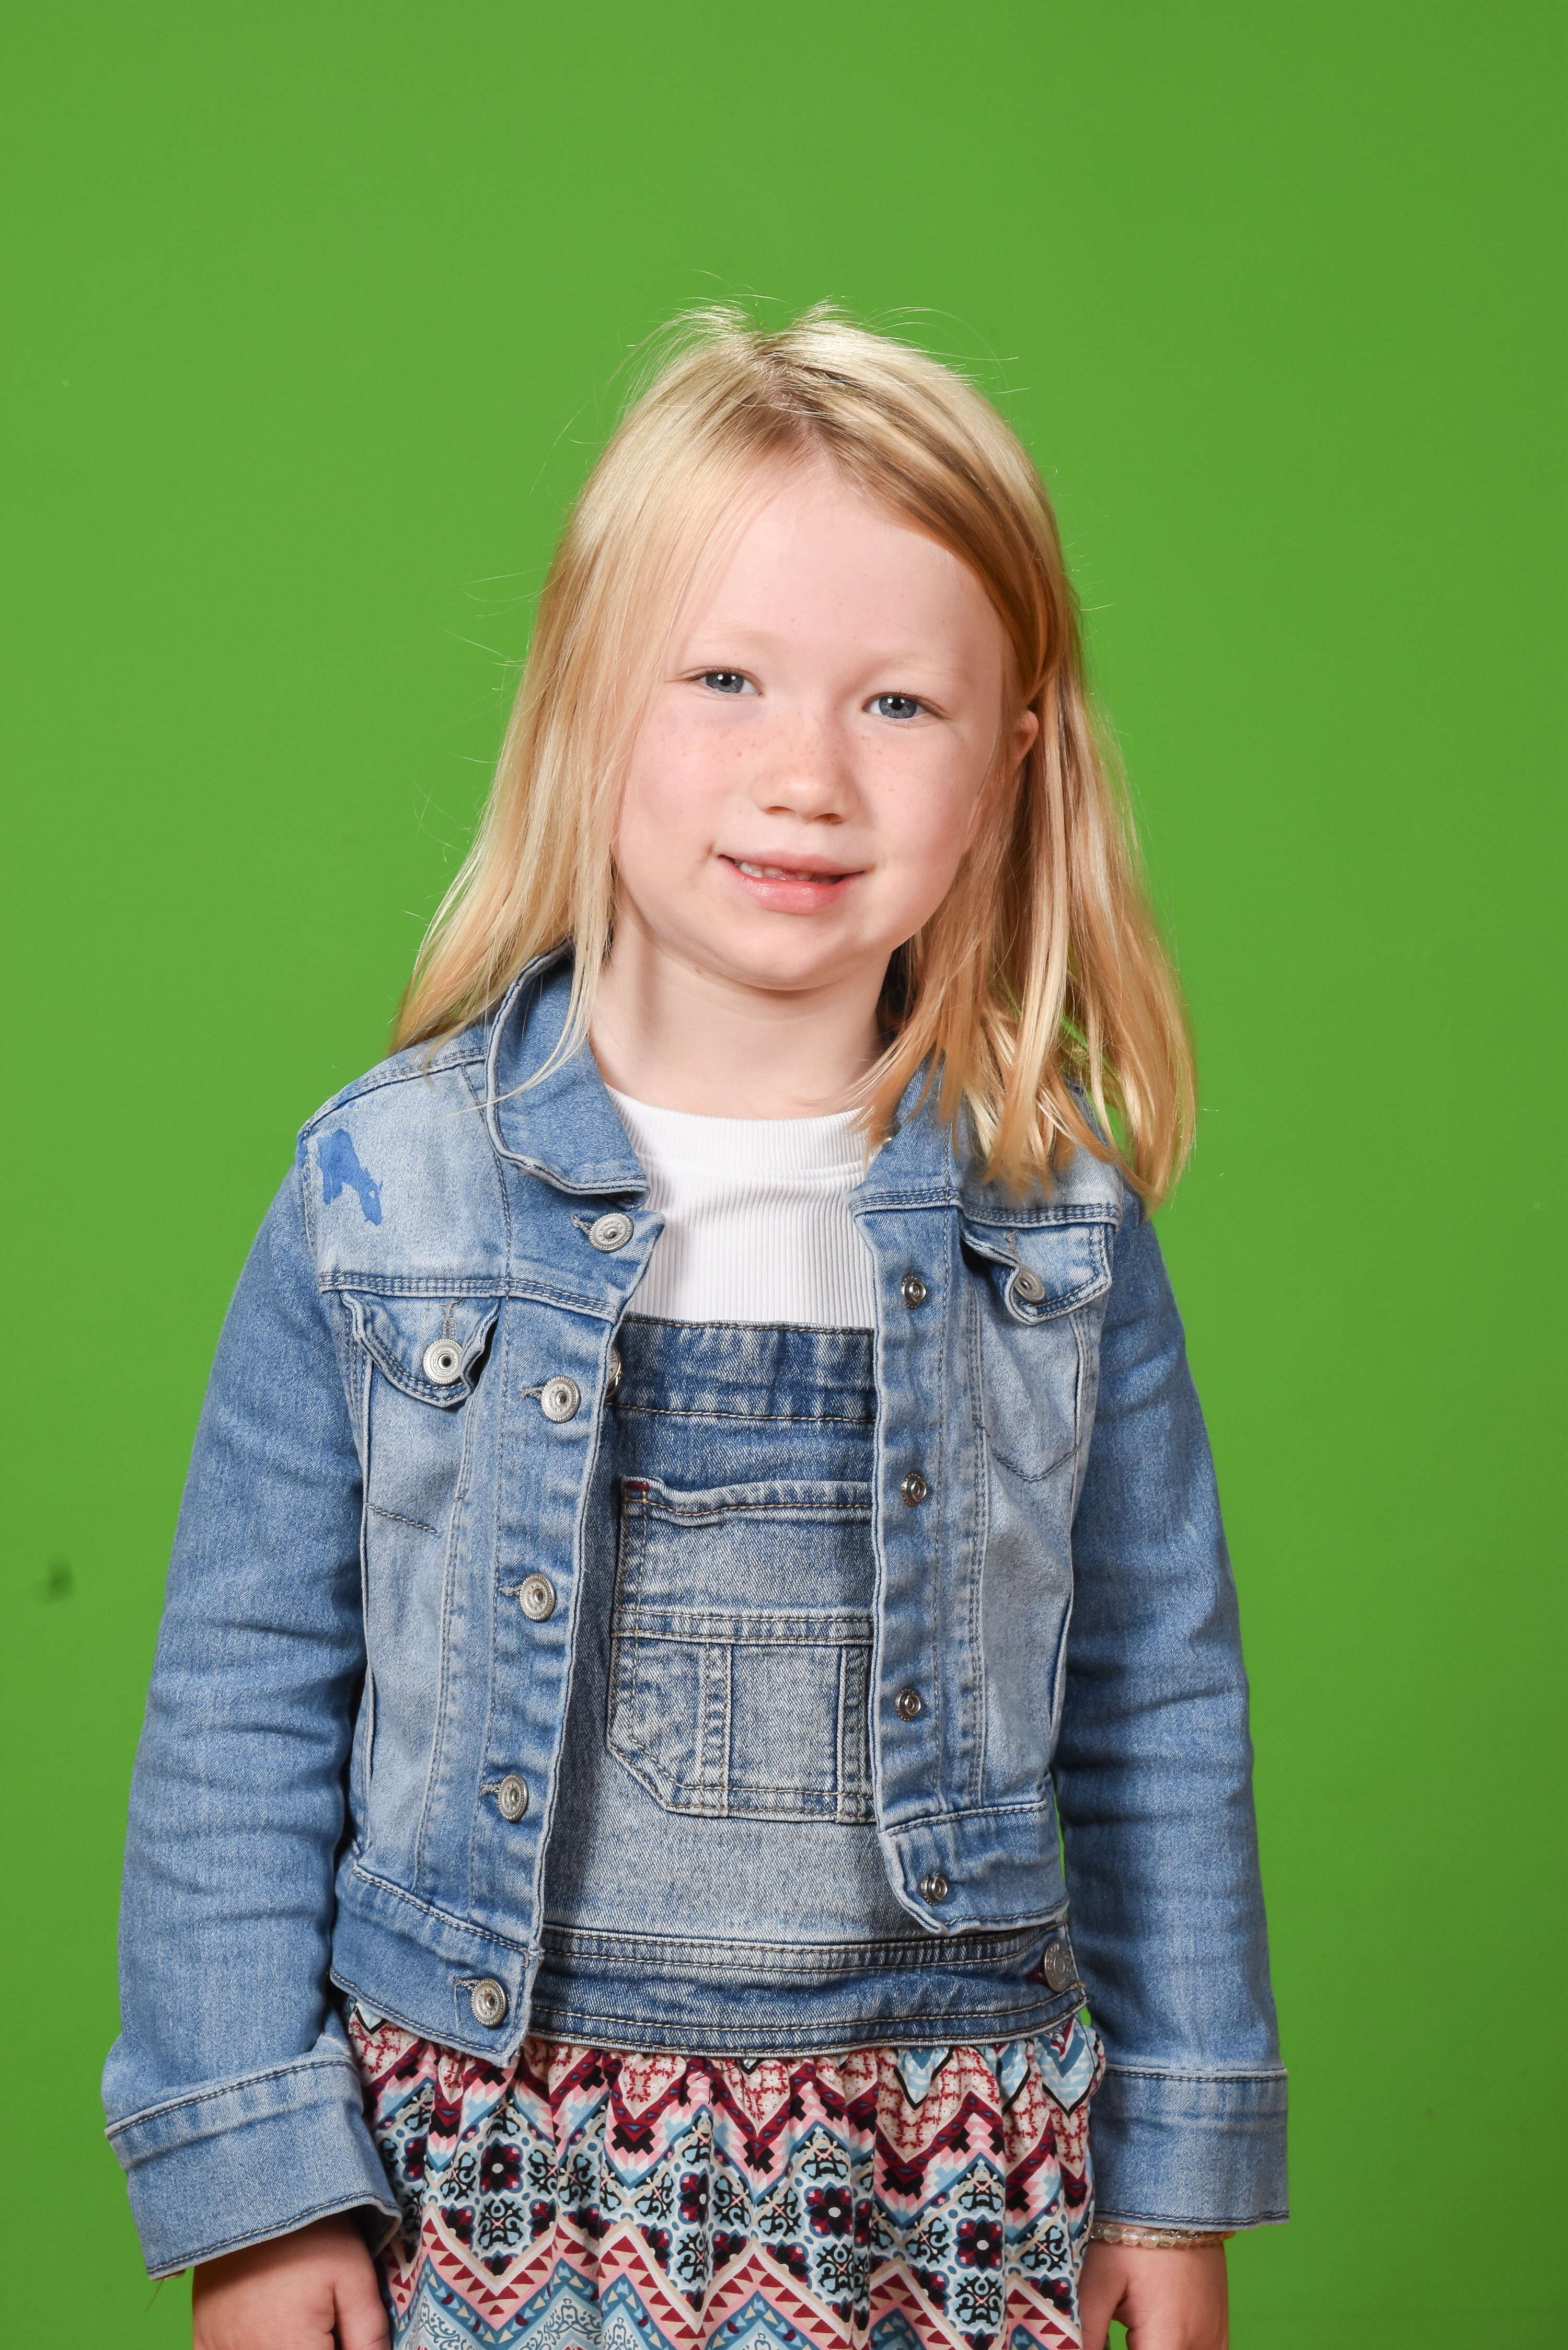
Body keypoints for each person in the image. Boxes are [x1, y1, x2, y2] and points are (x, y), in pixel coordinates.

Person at [104, 310, 1286, 2350]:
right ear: (587, 695)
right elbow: (239, 1700)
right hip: (484, 2173)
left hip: (930, 2182)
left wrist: (1176, 2172)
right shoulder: (392, 1196)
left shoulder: (1055, 1234)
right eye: (725, 677)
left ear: (1011, 757)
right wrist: (258, 2184)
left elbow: (1156, 1710)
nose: (806, 776)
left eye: (899, 701)